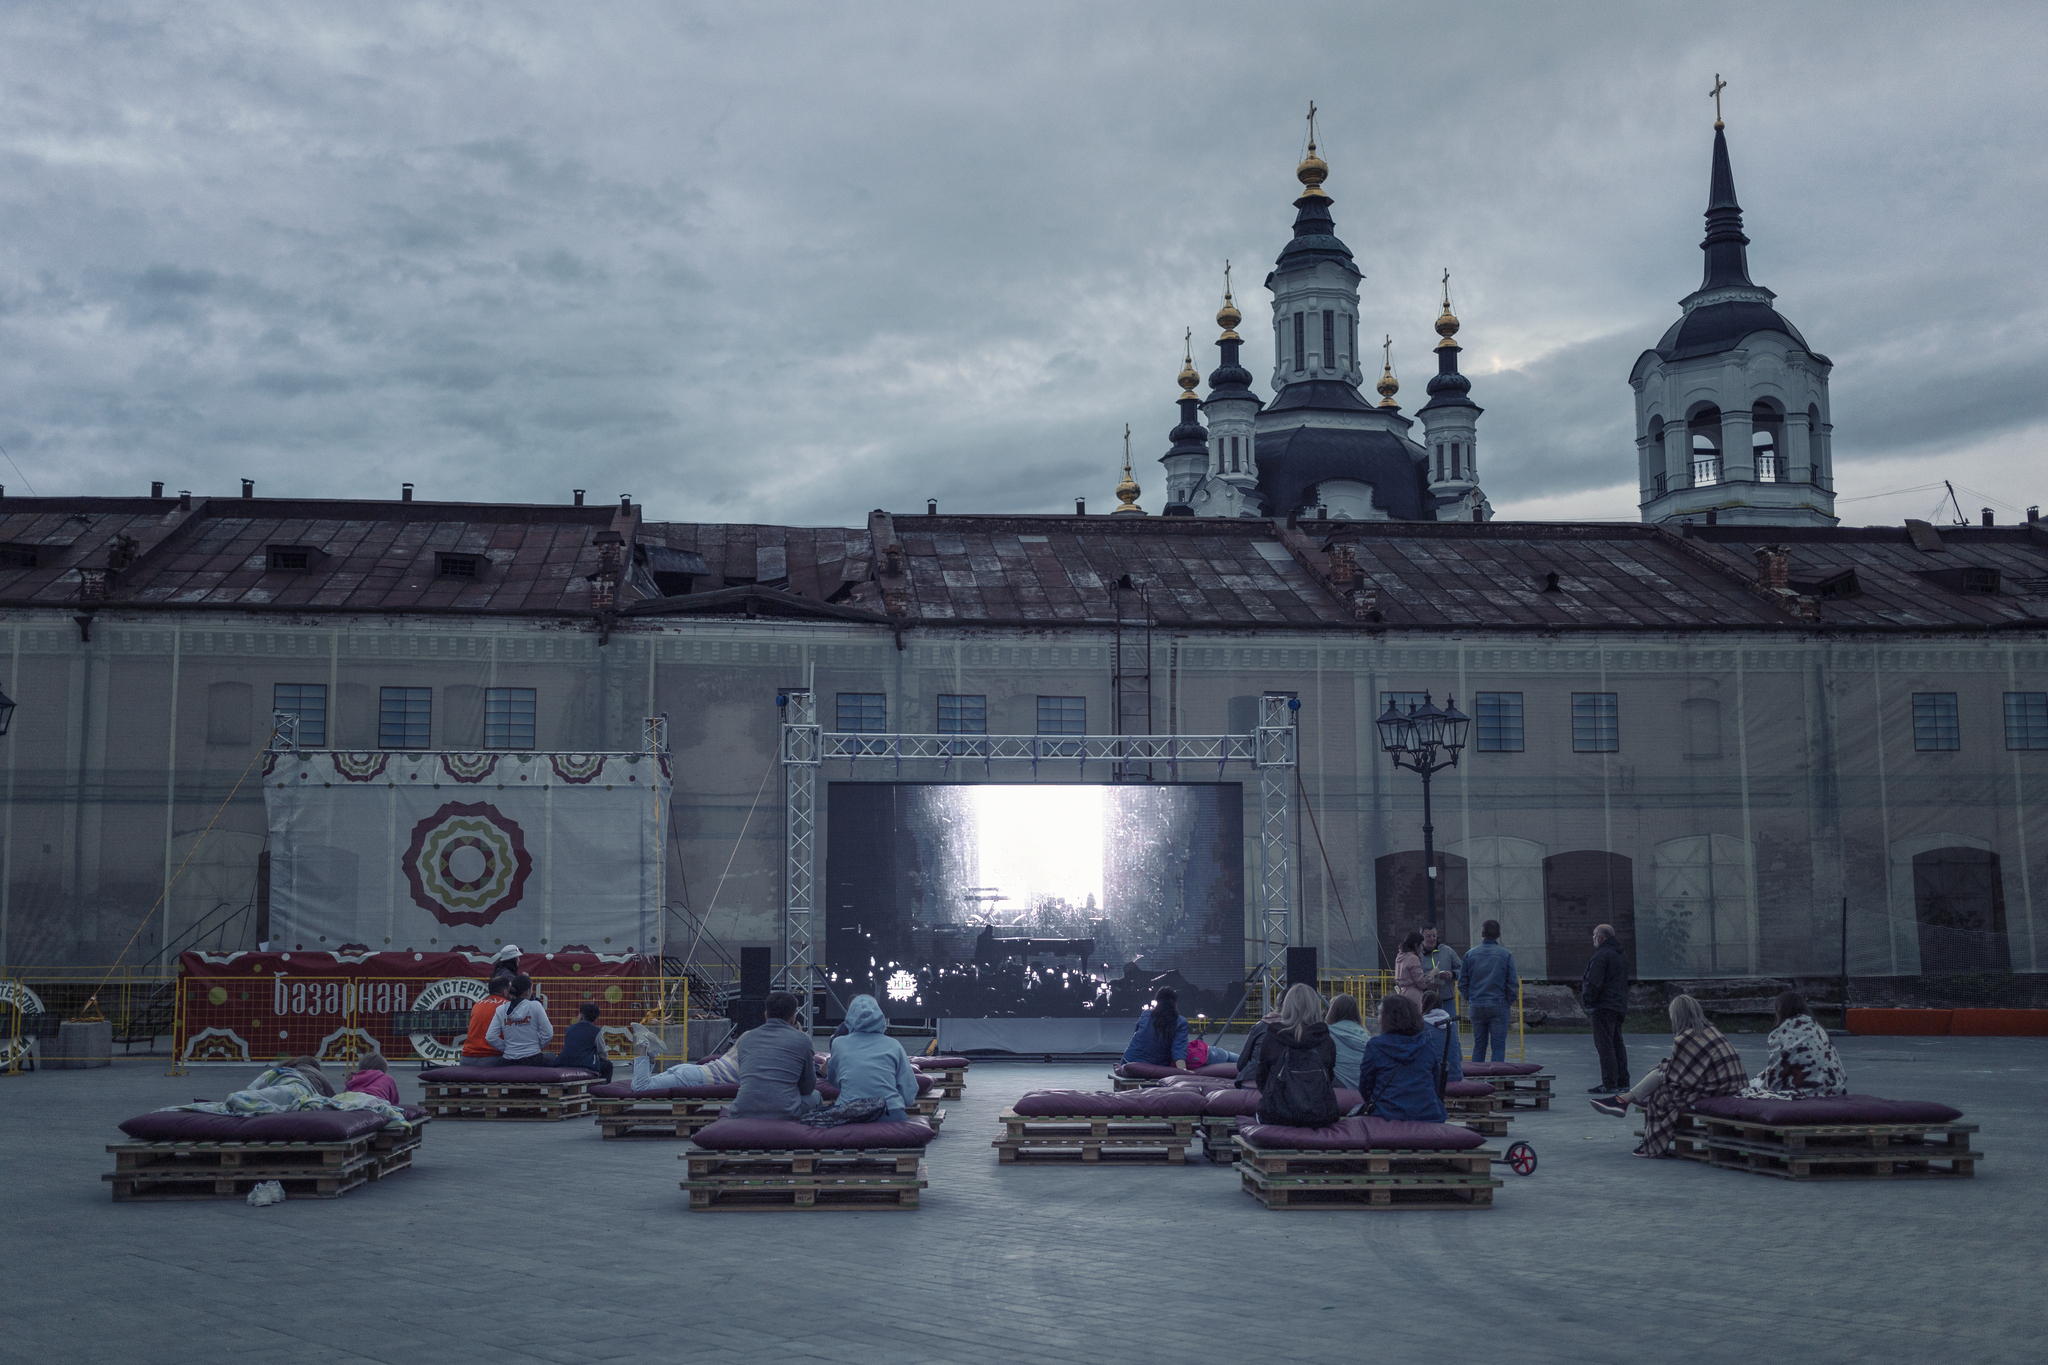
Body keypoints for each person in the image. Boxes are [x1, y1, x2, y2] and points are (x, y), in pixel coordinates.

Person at [1592, 995, 1746, 1157]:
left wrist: (1661, 1069)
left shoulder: (1685, 1038)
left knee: (1662, 1094)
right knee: (1663, 1072)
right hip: (1734, 1085)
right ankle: (1622, 1101)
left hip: (1718, 1089)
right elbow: (1685, 1068)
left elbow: (1676, 1077)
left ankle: (1649, 1140)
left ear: (1677, 1016)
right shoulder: (1711, 1031)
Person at [1246, 983, 1339, 1128]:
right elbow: (1330, 1075)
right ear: (1315, 1007)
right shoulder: (1326, 1040)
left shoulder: (1272, 1037)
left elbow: (1261, 1078)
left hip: (1276, 1115)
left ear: (1286, 1007)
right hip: (1320, 1116)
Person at [730, 990, 823, 1119]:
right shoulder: (803, 1039)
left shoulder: (746, 1038)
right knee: (816, 1096)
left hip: (742, 1111)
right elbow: (808, 1088)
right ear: (793, 1017)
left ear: (766, 1015)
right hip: (785, 1112)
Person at [826, 994, 920, 1120]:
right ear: (879, 1016)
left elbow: (835, 1081)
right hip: (889, 1112)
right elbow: (909, 1089)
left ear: (849, 1017)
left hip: (849, 1112)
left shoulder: (838, 1044)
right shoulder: (894, 1045)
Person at [1355, 994, 1447, 1123]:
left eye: (1380, 1013)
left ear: (1387, 1018)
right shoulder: (1426, 1045)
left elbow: (1365, 1085)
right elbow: (1435, 1082)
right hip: (1427, 1114)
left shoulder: (1375, 1046)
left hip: (1386, 1113)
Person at [1740, 992, 1848, 1099]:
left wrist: (1753, 1086)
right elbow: (1841, 1072)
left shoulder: (1783, 1031)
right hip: (1835, 1088)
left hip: (1806, 1090)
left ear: (1779, 1010)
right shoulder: (1818, 1028)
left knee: (1749, 1088)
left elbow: (1775, 1072)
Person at [1460, 919, 1520, 1063]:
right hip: (1498, 1004)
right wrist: (1507, 1001)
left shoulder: (1470, 955)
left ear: (1482, 933)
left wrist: (1472, 998)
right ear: (1498, 935)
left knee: (1479, 1046)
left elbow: (1462, 983)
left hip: (1477, 1005)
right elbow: (1512, 983)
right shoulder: (1506, 955)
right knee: (1498, 1047)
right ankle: (1496, 1083)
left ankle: (1477, 1082)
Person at [1581, 923, 1631, 1094]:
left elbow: (1593, 982)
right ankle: (1623, 1081)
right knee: (1617, 1043)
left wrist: (1589, 1002)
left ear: (1601, 938)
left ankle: (1609, 1083)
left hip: (1603, 1005)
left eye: (1594, 935)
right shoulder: (1621, 954)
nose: (1593, 938)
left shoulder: (1601, 956)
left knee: (1604, 1045)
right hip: (1618, 1005)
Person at [625, 1024, 742, 1092]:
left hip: (692, 1069)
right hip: (694, 1078)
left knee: (638, 1085)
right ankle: (643, 1045)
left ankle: (652, 1052)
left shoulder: (736, 1050)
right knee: (640, 1087)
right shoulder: (750, 1064)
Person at [483, 974, 555, 1066]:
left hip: (509, 1060)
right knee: (551, 1056)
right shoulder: (535, 1006)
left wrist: (509, 1047)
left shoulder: (501, 1009)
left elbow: (490, 1037)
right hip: (533, 1058)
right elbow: (548, 1033)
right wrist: (535, 1046)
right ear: (527, 991)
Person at [1121, 988, 1190, 1069]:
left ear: (1157, 1000)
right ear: (1175, 1002)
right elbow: (1179, 1049)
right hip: (1156, 1066)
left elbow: (1136, 1035)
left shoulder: (1146, 1014)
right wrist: (1183, 1070)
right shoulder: (1181, 1022)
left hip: (1128, 1062)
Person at [461, 970, 514, 1063]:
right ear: (505, 992)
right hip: (492, 1057)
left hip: (466, 1057)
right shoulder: (507, 1005)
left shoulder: (477, 1004)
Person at [553, 1002, 614, 1081]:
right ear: (596, 1018)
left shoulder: (569, 1029)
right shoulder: (596, 1031)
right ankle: (601, 1090)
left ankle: (566, 1091)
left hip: (562, 1063)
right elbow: (602, 1052)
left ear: (581, 1015)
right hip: (586, 1065)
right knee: (607, 1065)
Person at [1324, 993, 1373, 1091]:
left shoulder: (1328, 1034)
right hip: (1363, 1092)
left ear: (1332, 1012)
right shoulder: (1366, 1036)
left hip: (1338, 1092)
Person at [1421, 990, 1464, 1086]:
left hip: (1433, 1077)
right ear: (1441, 1005)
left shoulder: (1422, 1025)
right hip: (1455, 1074)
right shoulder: (1453, 1024)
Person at [1394, 931, 1428, 1008]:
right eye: (1421, 945)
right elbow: (1421, 982)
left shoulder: (1399, 957)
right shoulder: (1413, 958)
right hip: (1413, 995)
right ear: (1416, 945)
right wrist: (1429, 978)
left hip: (1401, 993)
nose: (1422, 948)